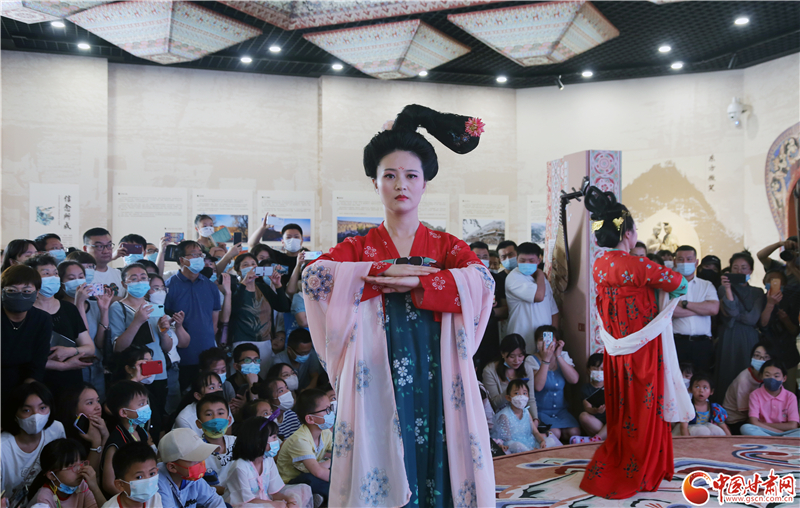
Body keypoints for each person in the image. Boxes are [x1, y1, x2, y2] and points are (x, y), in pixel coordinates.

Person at [303, 105, 495, 507]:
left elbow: (483, 281)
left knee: (440, 450)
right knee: (382, 442)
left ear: (425, 184)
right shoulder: (358, 246)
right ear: (375, 184)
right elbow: (315, 276)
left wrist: (421, 281)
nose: (400, 185)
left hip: (437, 367)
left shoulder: (446, 246)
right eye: (389, 175)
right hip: (376, 367)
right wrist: (381, 270)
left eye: (411, 176)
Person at [579, 185, 689, 500]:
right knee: (644, 409)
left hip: (616, 350)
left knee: (623, 408)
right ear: (627, 233)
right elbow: (680, 284)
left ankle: (623, 457)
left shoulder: (599, 264)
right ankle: (644, 468)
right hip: (643, 351)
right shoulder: (639, 265)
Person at [109, 264, 172, 426]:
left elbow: (167, 347)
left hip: (158, 370)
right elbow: (118, 347)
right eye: (134, 278)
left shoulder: (155, 307)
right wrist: (137, 321)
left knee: (156, 417)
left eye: (143, 278)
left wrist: (164, 332)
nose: (139, 281)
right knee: (134, 417)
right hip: (134, 372)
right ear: (124, 284)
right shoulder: (118, 308)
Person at [25, 254, 95, 393]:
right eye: (46, 273)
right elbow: (23, 357)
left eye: (55, 273)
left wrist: (71, 351)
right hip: (38, 385)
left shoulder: (69, 309)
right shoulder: (25, 311)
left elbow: (89, 347)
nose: (53, 277)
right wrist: (63, 365)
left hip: (71, 383)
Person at [164, 241, 222, 391]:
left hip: (207, 354)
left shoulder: (210, 286)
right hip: (182, 355)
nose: (199, 258)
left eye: (200, 255)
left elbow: (215, 321)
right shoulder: (169, 286)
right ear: (182, 259)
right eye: (194, 255)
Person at [1, 382, 67, 508]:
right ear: (14, 413)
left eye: (42, 408)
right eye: (26, 410)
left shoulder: (56, 429)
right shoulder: (2, 447)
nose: (36, 416)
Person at [221, 417, 311, 508]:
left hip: (265, 501)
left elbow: (273, 493)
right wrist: (276, 504)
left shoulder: (268, 460)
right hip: (243, 505)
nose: (277, 441)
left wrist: (288, 499)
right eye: (274, 437)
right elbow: (247, 500)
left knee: (300, 493)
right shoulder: (240, 467)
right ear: (258, 440)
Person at [715, 252, 766, 402]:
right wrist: (728, 289)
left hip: (749, 337)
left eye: (744, 267)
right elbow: (732, 311)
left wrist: (736, 315)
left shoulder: (757, 292)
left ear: (751, 270)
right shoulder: (722, 289)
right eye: (735, 268)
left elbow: (752, 318)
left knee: (749, 373)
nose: (739, 271)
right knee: (727, 372)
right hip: (729, 336)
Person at [58, 260, 111, 401]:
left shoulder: (94, 305)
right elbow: (82, 338)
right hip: (73, 369)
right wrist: (79, 303)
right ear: (61, 283)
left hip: (96, 367)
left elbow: (100, 343)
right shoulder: (59, 308)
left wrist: (104, 310)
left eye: (81, 277)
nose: (77, 281)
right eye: (71, 278)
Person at [229, 252, 291, 363]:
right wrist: (244, 283)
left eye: (253, 264)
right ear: (238, 271)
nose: (251, 267)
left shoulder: (263, 288)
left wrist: (278, 285)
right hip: (241, 341)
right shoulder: (234, 288)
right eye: (245, 265)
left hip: (265, 341)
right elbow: (234, 309)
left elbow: (283, 307)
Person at [1, 265, 52, 395]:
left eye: (27, 291)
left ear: (37, 293)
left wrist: (26, 394)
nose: (19, 295)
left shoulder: (42, 319)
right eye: (11, 290)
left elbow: (38, 363)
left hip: (26, 385)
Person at [275, 390, 332, 502]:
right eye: (326, 410)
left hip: (310, 472)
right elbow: (318, 471)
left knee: (329, 471)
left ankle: (319, 496)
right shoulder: (299, 440)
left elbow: (339, 454)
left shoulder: (325, 432)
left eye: (330, 408)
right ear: (310, 419)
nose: (331, 413)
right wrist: (344, 481)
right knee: (311, 479)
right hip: (291, 482)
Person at [671, 245, 720, 375]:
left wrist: (684, 304)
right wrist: (701, 309)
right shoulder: (669, 286)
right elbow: (671, 312)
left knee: (702, 380)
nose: (684, 263)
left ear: (696, 262)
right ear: (674, 262)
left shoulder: (706, 285)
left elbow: (713, 309)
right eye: (680, 259)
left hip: (702, 344)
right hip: (677, 342)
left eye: (689, 259)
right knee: (676, 380)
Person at [100, 381, 154, 496]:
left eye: (146, 402)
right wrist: (131, 499)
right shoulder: (116, 442)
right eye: (141, 404)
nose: (146, 407)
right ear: (124, 412)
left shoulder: (141, 432)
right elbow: (108, 484)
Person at [505, 242, 559, 354]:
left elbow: (554, 311)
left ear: (539, 260)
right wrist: (540, 273)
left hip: (544, 342)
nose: (527, 264)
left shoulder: (542, 280)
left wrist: (554, 336)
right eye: (522, 260)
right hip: (521, 339)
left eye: (531, 260)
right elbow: (538, 297)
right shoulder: (513, 278)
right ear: (517, 259)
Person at [530, 326, 580, 442]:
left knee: (574, 433)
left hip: (561, 411)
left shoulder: (563, 355)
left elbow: (574, 380)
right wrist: (546, 359)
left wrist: (558, 356)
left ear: (557, 342)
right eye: (541, 339)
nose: (545, 342)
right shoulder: (531, 359)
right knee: (555, 433)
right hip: (541, 411)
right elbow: (538, 387)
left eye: (549, 339)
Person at [26, 438, 107, 508]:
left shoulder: (82, 485)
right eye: (73, 466)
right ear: (52, 475)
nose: (79, 470)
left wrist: (95, 488)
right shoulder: (43, 499)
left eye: (82, 463)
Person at [156, 428, 226, 508]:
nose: (201, 462)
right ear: (172, 467)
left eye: (201, 457)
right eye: (194, 459)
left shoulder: (190, 477)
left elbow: (213, 499)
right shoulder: (158, 483)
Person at [470, 241, 508, 376]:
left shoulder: (497, 279)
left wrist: (488, 312)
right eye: (477, 256)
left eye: (485, 256)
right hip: (469, 332)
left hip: (491, 333)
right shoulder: (462, 279)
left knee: (490, 369)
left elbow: (506, 309)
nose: (482, 259)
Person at [721, 341, 776, 433]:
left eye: (766, 357)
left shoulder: (771, 377)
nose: (761, 360)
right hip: (738, 421)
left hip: (759, 418)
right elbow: (746, 412)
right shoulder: (743, 379)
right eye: (757, 356)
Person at [481, 334, 539, 421]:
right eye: (512, 356)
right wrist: (511, 389)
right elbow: (494, 404)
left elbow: (530, 399)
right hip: (500, 419)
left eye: (520, 356)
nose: (517, 361)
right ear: (503, 354)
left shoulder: (527, 368)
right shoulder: (490, 371)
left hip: (522, 417)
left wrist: (535, 419)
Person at [759, 270, 800, 391]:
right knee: (767, 391)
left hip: (788, 354)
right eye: (770, 280)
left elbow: (795, 331)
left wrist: (786, 320)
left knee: (789, 390)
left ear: (784, 284)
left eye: (777, 281)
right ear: (764, 282)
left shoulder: (792, 300)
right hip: (767, 353)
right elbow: (762, 325)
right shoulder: (760, 299)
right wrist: (770, 304)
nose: (774, 283)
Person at [57, 383, 109, 474]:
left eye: (98, 401)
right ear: (73, 408)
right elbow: (88, 476)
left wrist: (105, 436)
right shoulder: (64, 436)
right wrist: (96, 443)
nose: (98, 407)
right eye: (90, 403)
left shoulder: (102, 426)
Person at [740, 361, 800, 437]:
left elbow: (793, 425)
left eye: (776, 376)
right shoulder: (755, 395)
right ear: (761, 376)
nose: (772, 379)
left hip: (785, 433)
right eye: (767, 375)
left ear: (784, 378)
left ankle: (771, 440)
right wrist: (778, 433)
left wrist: (762, 424)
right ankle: (780, 440)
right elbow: (754, 422)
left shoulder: (790, 396)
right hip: (764, 431)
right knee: (745, 428)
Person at [491, 380, 549, 453]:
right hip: (514, 444)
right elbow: (507, 440)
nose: (521, 396)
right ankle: (533, 452)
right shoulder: (504, 415)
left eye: (524, 393)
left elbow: (535, 432)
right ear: (508, 398)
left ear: (528, 397)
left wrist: (542, 441)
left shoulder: (526, 412)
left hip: (529, 441)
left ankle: (533, 451)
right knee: (518, 446)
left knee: (550, 441)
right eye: (516, 393)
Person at [193, 394, 235, 494]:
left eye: (220, 413)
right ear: (199, 423)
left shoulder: (238, 442)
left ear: (229, 420)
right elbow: (196, 486)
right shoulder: (194, 451)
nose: (215, 419)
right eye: (208, 414)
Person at [101, 441, 160, 508]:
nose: (148, 481)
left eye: (152, 473)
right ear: (120, 484)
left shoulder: (155, 497)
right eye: (139, 477)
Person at [172, 372, 232, 437]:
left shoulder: (224, 407)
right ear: (198, 395)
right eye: (212, 388)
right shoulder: (184, 419)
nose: (218, 390)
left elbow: (227, 437)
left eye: (220, 386)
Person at [574, 353, 607, 444]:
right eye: (595, 369)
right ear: (589, 370)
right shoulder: (586, 388)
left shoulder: (612, 386)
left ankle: (596, 439)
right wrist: (596, 410)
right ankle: (602, 437)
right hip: (597, 423)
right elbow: (587, 408)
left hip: (611, 423)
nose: (599, 371)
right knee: (583, 416)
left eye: (602, 369)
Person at [82, 228, 124, 298]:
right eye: (99, 246)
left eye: (109, 245)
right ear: (85, 249)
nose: (106, 251)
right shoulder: (82, 276)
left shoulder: (118, 274)